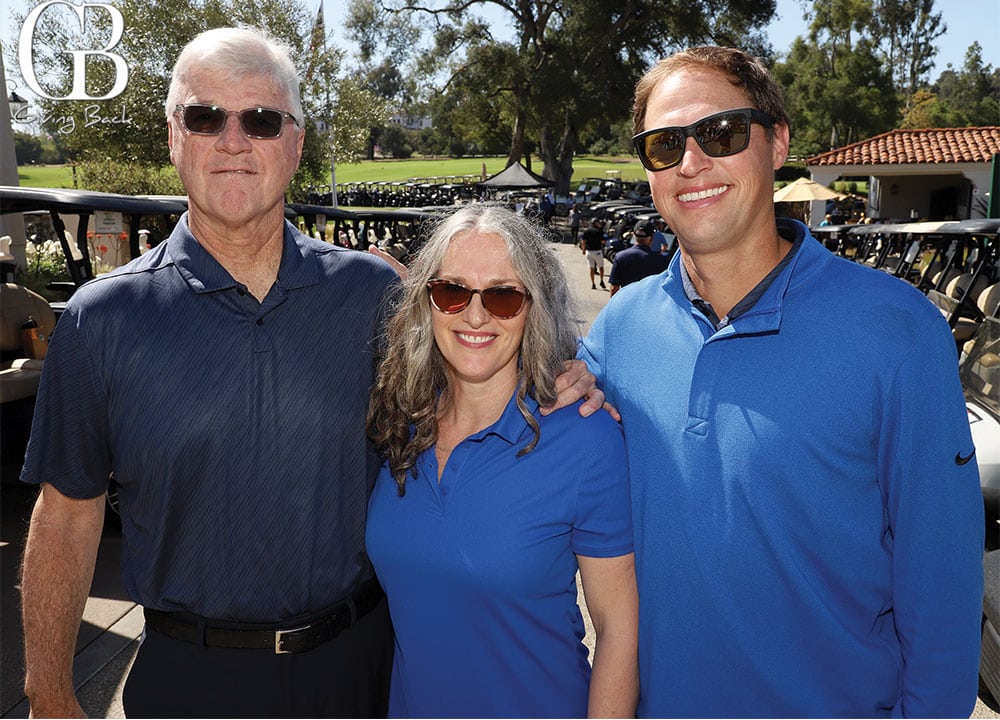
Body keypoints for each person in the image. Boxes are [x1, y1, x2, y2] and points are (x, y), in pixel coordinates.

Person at [579, 46, 984, 717]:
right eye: (663, 144)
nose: (691, 162)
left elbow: (941, 581)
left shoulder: (896, 329)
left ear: (777, 142)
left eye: (722, 133)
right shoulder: (620, 329)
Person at [365, 204, 639, 718]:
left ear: (534, 307)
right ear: (426, 303)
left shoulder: (584, 435)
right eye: (451, 291)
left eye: (503, 296)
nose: (475, 315)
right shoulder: (397, 423)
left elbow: (619, 630)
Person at [608, 220, 670, 297]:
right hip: (649, 304)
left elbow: (614, 288)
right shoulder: (661, 260)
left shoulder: (621, 257)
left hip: (627, 302)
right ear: (652, 238)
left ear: (634, 235)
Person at [580, 217, 607, 290]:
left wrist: (583, 250)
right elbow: (603, 242)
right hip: (597, 251)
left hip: (589, 252)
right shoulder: (599, 232)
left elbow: (583, 242)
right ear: (595, 223)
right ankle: (601, 281)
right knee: (601, 267)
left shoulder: (587, 231)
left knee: (591, 268)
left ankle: (593, 283)